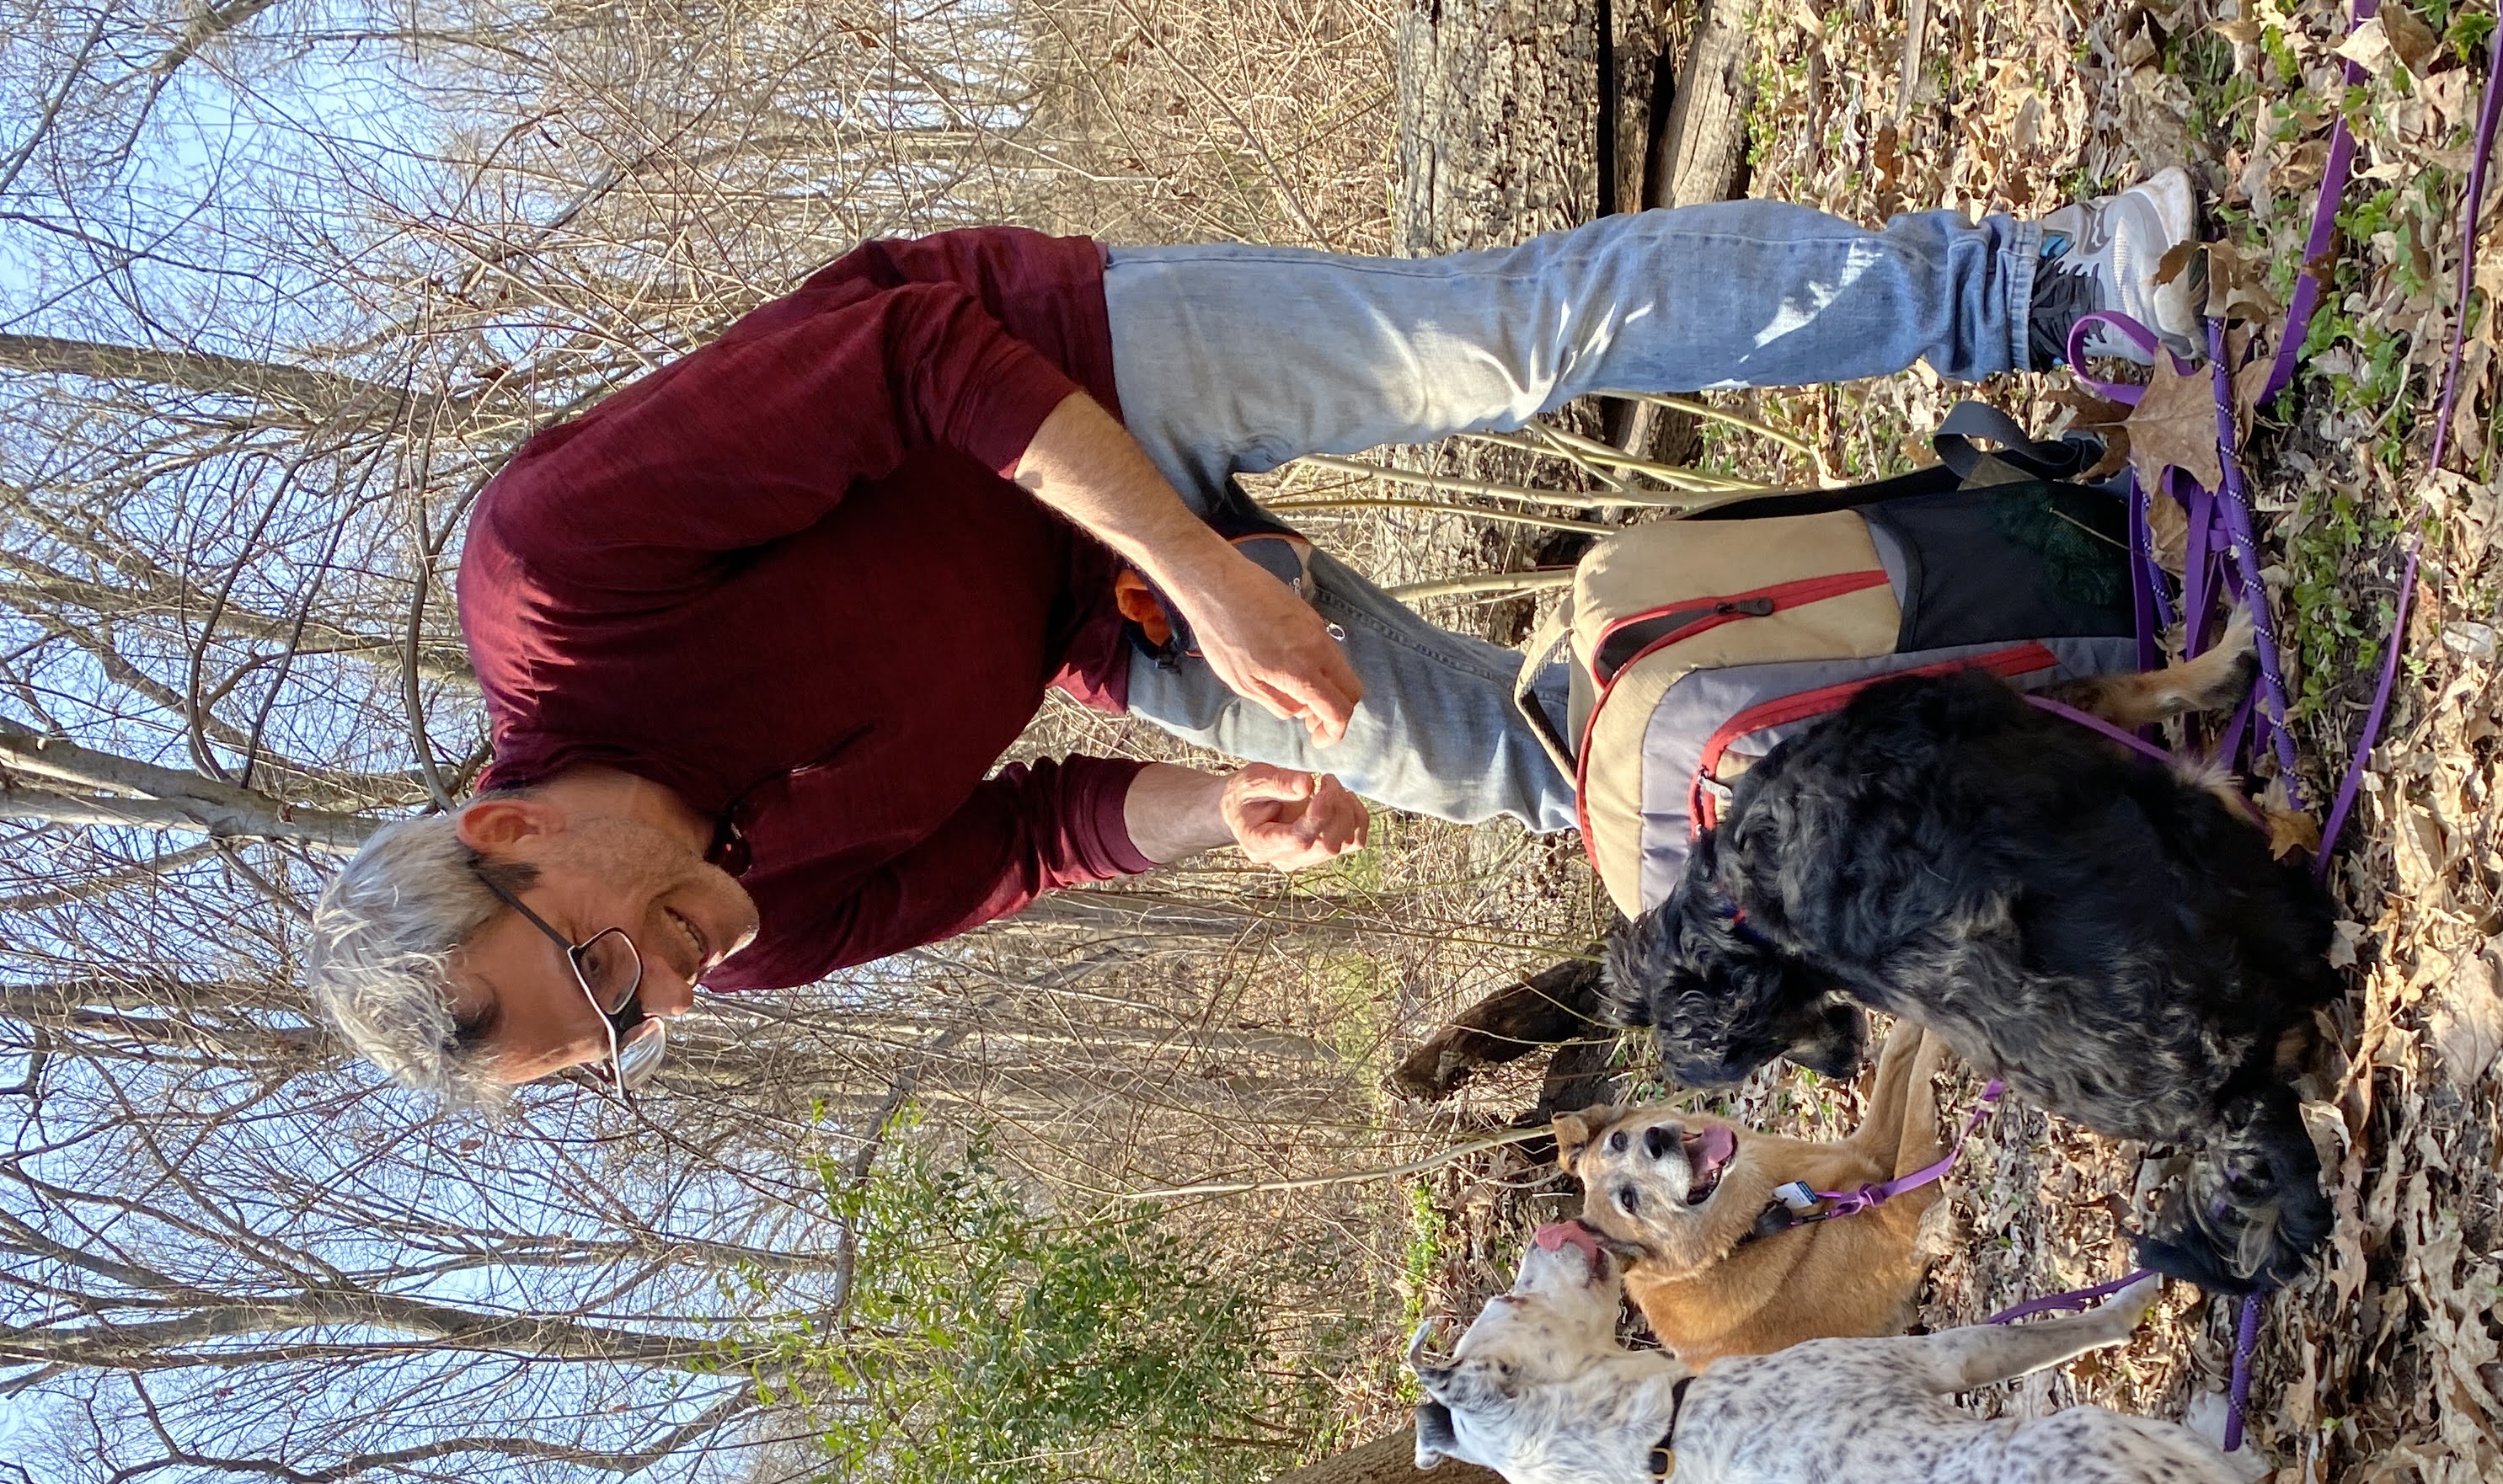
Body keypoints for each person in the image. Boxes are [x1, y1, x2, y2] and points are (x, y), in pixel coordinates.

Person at [303, 179, 2206, 1108]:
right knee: (1524, 766)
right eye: (622, 1030)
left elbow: (904, 357)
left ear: (509, 835)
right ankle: (2043, 678)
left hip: (1064, 368)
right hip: (1091, 612)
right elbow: (1026, 842)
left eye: (595, 958)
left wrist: (1202, 565)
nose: (661, 980)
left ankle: (2035, 287)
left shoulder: (556, 573)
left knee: (1501, 342)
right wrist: (1233, 815)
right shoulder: (761, 932)